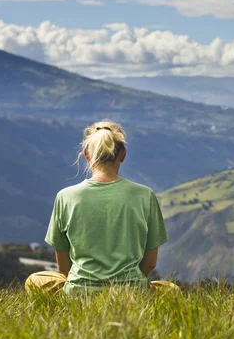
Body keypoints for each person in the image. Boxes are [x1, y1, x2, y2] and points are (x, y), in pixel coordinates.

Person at [25, 120, 177, 294]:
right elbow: (150, 263)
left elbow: (63, 264)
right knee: (171, 290)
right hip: (131, 292)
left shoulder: (65, 197)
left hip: (79, 292)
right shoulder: (145, 195)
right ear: (123, 154)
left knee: (35, 280)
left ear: (86, 155)